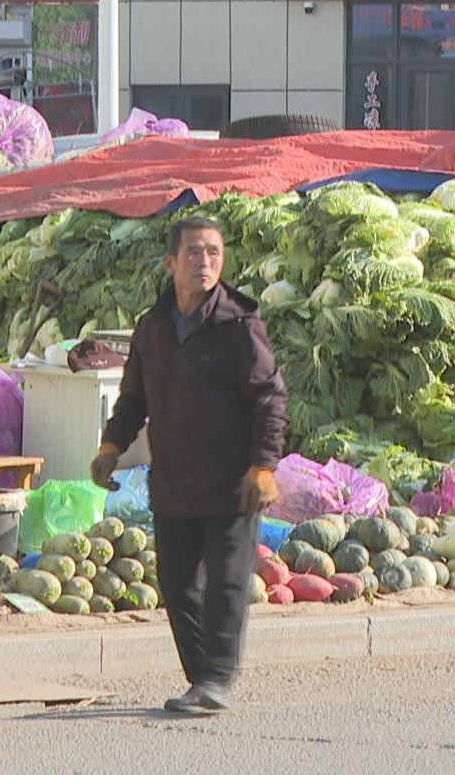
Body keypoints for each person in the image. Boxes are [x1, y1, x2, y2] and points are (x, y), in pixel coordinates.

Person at [91, 216, 287, 716]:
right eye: (195, 252)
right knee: (177, 586)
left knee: (227, 583)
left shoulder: (238, 326)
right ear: (171, 262)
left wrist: (263, 467)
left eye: (214, 252)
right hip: (174, 480)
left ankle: (216, 678)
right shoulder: (153, 328)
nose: (205, 262)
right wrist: (111, 446)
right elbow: (134, 398)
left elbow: (269, 398)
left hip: (232, 482)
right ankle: (203, 678)